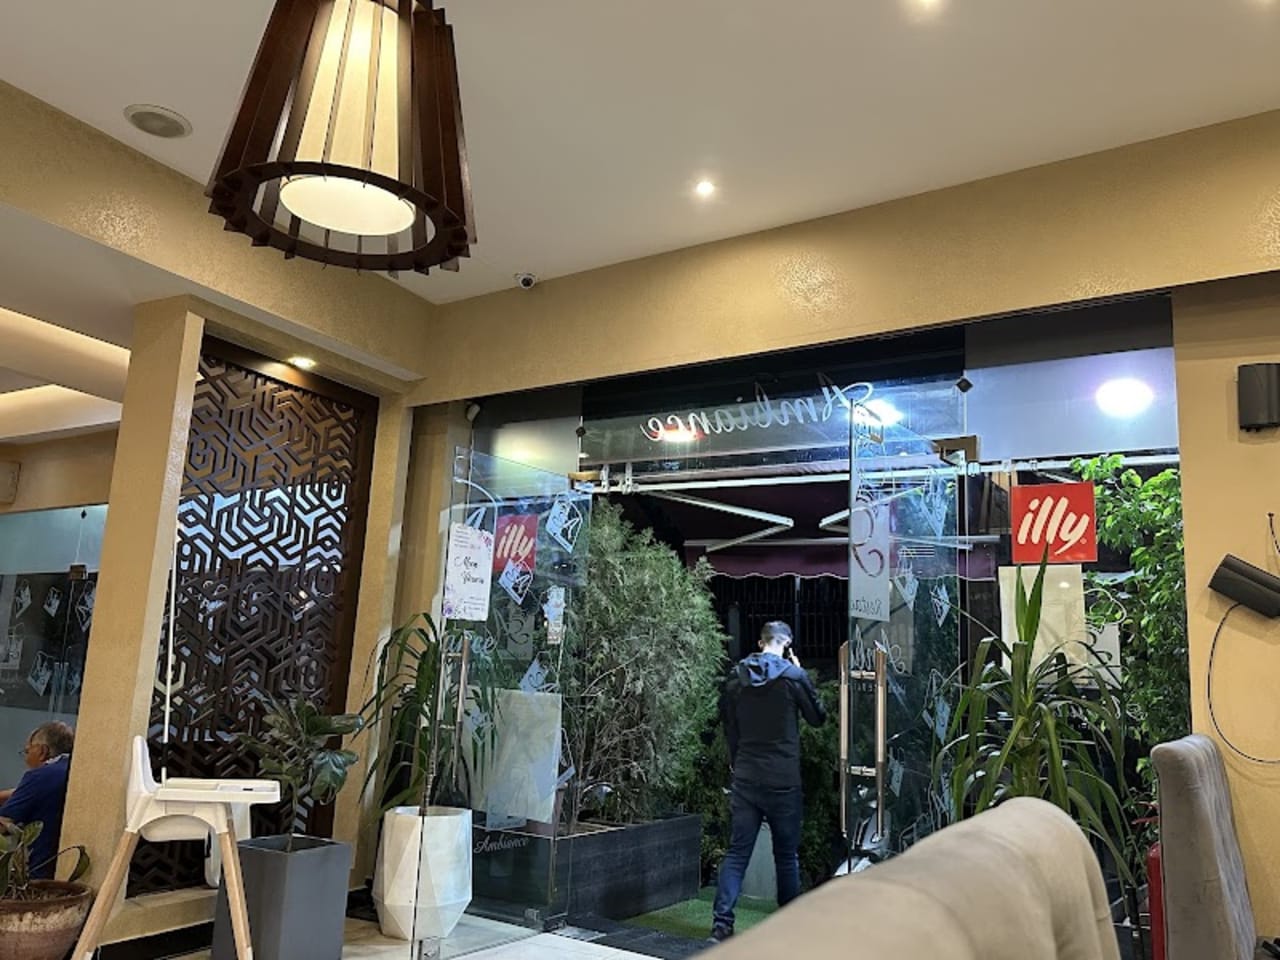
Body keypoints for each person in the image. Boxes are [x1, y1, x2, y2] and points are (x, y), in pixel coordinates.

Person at [710, 621, 826, 943]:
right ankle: (787, 927)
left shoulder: (737, 677)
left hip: (747, 776)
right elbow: (818, 719)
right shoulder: (793, 677)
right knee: (786, 856)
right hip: (783, 778)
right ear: (787, 644)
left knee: (737, 853)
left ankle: (721, 925)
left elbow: (730, 726)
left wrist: (737, 763)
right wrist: (800, 672)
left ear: (761, 643)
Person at [0, 721, 75, 879]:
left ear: (42, 751)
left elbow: (3, 824)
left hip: (40, 874)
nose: (26, 759)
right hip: (69, 870)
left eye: (27, 751)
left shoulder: (39, 776)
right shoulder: (73, 769)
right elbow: (22, 793)